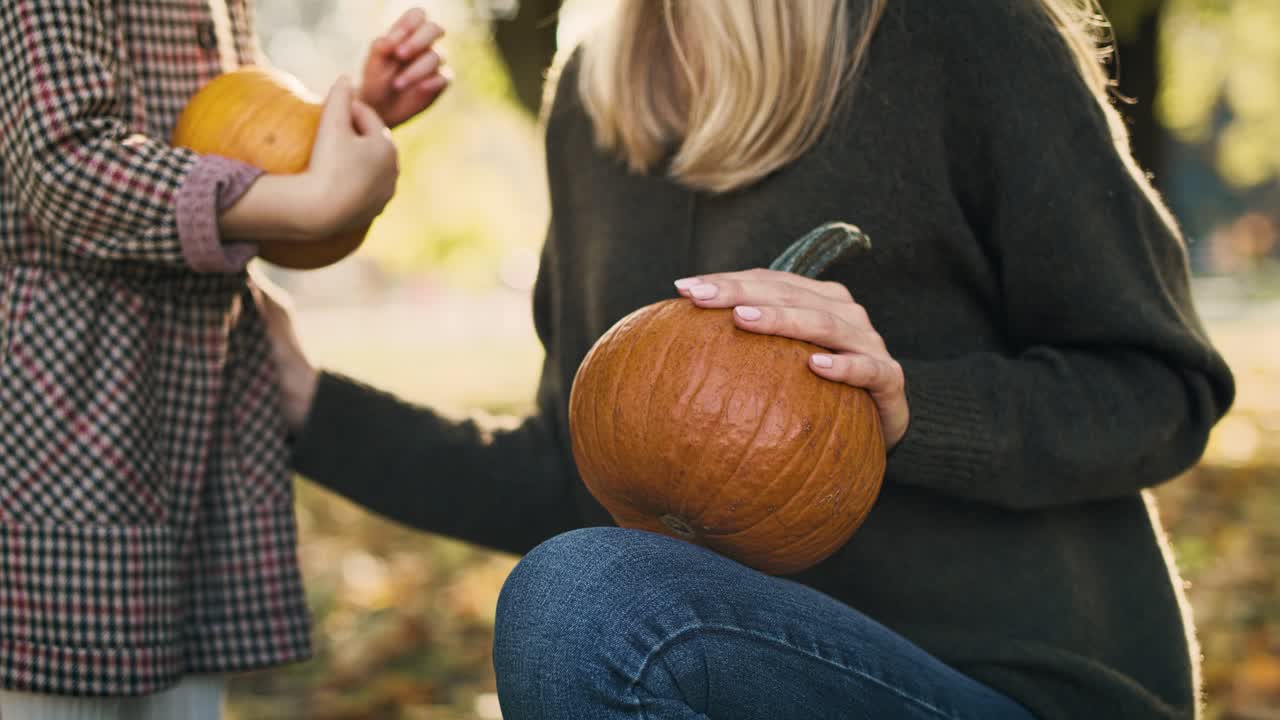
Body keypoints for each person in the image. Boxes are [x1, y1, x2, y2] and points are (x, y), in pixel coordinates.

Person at [256, 0, 1236, 718]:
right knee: (580, 589)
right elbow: (577, 487)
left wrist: (906, 411)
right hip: (733, 670)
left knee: (589, 600)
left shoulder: (965, 31)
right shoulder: (591, 102)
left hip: (1012, 686)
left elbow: (1158, 386)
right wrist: (310, 405)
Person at [0, 2, 447, 718]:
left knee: (185, 689)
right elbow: (63, 162)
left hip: (193, 404)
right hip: (73, 401)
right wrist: (310, 200)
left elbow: (223, 159)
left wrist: (342, 130)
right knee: (61, 683)